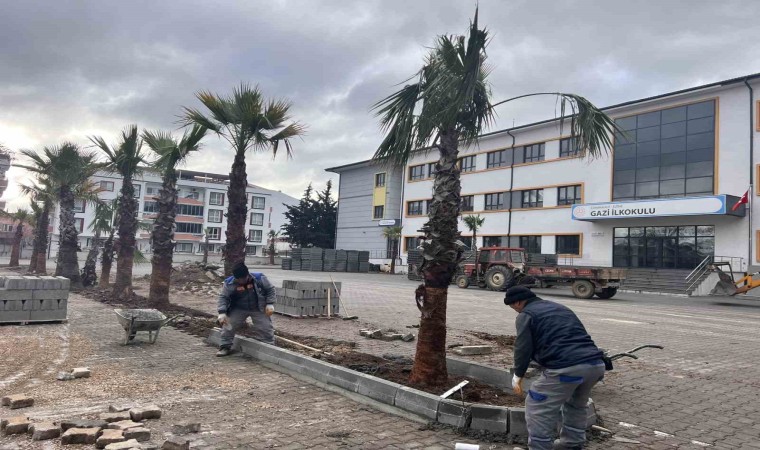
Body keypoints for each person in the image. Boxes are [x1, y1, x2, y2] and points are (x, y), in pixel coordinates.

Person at [505, 286, 605, 450]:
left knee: (537, 405)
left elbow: (523, 348)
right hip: (595, 365)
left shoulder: (526, 315)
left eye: (512, 306)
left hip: (566, 368)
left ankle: (539, 447)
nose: (514, 310)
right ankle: (572, 444)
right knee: (576, 405)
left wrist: (518, 375)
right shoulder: (559, 307)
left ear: (518, 302)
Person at [216, 261, 276, 356]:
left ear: (247, 274)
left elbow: (270, 289)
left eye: (243, 278)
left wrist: (270, 303)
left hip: (258, 307)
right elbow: (224, 297)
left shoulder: (259, 278)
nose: (241, 281)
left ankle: (269, 348)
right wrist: (222, 312)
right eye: (238, 279)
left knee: (265, 327)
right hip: (238, 309)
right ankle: (225, 346)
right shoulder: (229, 283)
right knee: (228, 326)